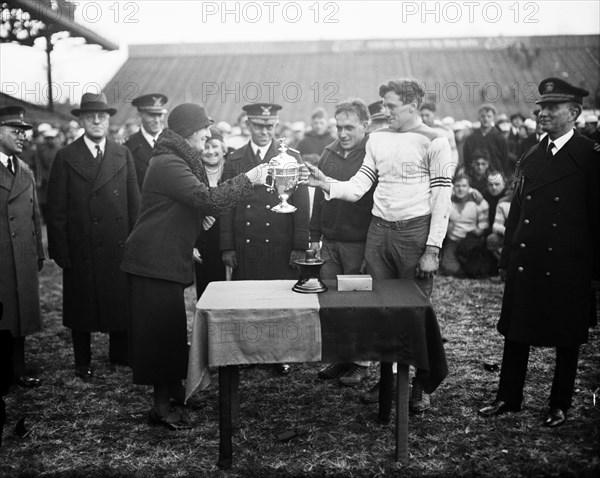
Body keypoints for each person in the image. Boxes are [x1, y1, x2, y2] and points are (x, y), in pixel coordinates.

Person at [306, 79, 455, 412]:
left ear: (413, 105)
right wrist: (325, 182)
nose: (383, 111)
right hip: (378, 233)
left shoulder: (436, 140)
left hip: (414, 235)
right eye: (383, 105)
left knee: (415, 313)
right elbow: (359, 186)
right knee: (381, 310)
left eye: (390, 106)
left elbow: (442, 197)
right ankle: (386, 382)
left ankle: (422, 385)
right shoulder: (379, 139)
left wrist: (432, 248)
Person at [121, 103, 269, 429]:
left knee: (172, 332)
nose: (208, 135)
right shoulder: (169, 163)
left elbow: (177, 210)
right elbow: (208, 199)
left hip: (163, 259)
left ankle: (173, 390)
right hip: (152, 263)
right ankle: (160, 408)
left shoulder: (174, 160)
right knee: (160, 336)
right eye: (205, 129)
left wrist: (186, 240)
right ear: (190, 131)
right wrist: (250, 178)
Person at [478, 78, 600, 428]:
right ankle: (508, 397)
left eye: (552, 108)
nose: (542, 112)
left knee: (567, 336)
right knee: (517, 329)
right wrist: (505, 257)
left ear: (574, 113)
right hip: (528, 259)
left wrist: (595, 273)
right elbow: (516, 211)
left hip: (569, 262)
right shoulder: (532, 154)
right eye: (542, 107)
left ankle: (559, 403)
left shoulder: (590, 157)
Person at [46, 92, 141, 381]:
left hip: (117, 244)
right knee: (81, 306)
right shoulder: (65, 156)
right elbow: (57, 209)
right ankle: (82, 360)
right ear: (82, 121)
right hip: (82, 245)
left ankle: (120, 354)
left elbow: (133, 203)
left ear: (109, 120)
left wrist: (135, 242)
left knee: (119, 301)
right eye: (90, 116)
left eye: (102, 116)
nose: (97, 121)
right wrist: (61, 249)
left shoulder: (121, 153)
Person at [220, 102, 311, 377]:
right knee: (249, 298)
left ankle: (279, 353)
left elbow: (302, 203)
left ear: (276, 126)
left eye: (270, 126)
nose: (264, 131)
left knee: (278, 299)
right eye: (259, 125)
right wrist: (226, 245)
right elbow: (226, 203)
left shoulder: (291, 157)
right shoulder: (235, 159)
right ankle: (250, 352)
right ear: (248, 125)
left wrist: (299, 245)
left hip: (280, 243)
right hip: (247, 244)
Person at [310, 98, 375, 387]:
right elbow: (318, 201)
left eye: (350, 127)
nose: (343, 133)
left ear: (366, 125)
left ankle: (362, 362)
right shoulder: (328, 153)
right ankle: (342, 357)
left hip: (358, 243)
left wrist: (370, 248)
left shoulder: (373, 154)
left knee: (358, 302)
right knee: (334, 302)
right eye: (339, 127)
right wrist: (314, 237)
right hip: (331, 243)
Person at [0, 106, 44, 389]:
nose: (22, 137)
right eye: (15, 131)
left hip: (22, 254)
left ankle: (18, 370)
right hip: (2, 258)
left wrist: (38, 251)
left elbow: (34, 216)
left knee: (19, 314)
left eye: (24, 132)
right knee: (3, 315)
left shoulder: (23, 169)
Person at [193, 126, 228, 298]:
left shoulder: (232, 171)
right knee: (208, 290)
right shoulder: (192, 174)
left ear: (223, 148)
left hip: (229, 238)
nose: (211, 151)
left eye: (215, 146)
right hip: (204, 241)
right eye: (206, 146)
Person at [439, 174, 489, 277]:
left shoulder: (479, 202)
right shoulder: (448, 200)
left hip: (470, 240)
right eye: (457, 186)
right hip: (453, 239)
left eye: (464, 186)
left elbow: (482, 227)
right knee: (450, 269)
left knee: (475, 270)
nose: (460, 189)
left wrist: (477, 231)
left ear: (469, 188)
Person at [124, 93, 168, 190]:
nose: (157, 120)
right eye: (152, 115)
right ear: (139, 116)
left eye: (160, 115)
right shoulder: (128, 147)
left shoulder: (175, 142)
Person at [463, 104, 510, 177]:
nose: (486, 119)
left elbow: (505, 159)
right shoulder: (471, 138)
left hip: (495, 175)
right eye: (483, 116)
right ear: (478, 117)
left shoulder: (500, 137)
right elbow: (467, 159)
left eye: (489, 116)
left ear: (493, 118)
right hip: (475, 177)